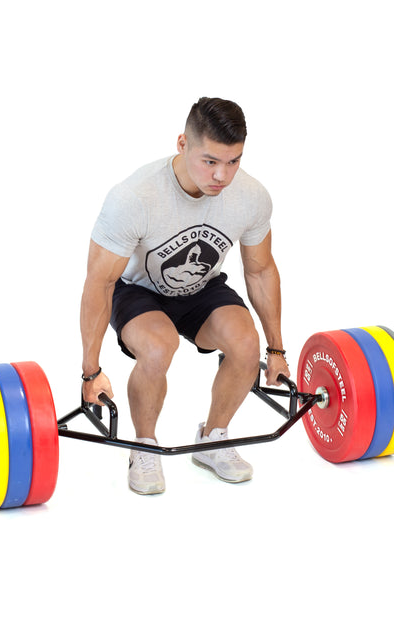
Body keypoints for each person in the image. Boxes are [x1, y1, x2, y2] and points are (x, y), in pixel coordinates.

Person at [80, 97, 290, 495]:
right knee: (160, 347)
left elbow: (260, 270)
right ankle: (144, 445)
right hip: (136, 290)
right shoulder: (134, 197)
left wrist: (277, 350)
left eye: (233, 161)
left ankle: (213, 439)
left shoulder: (251, 197)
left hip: (200, 288)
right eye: (210, 161)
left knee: (247, 345)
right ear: (182, 143)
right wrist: (90, 372)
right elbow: (98, 282)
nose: (222, 176)